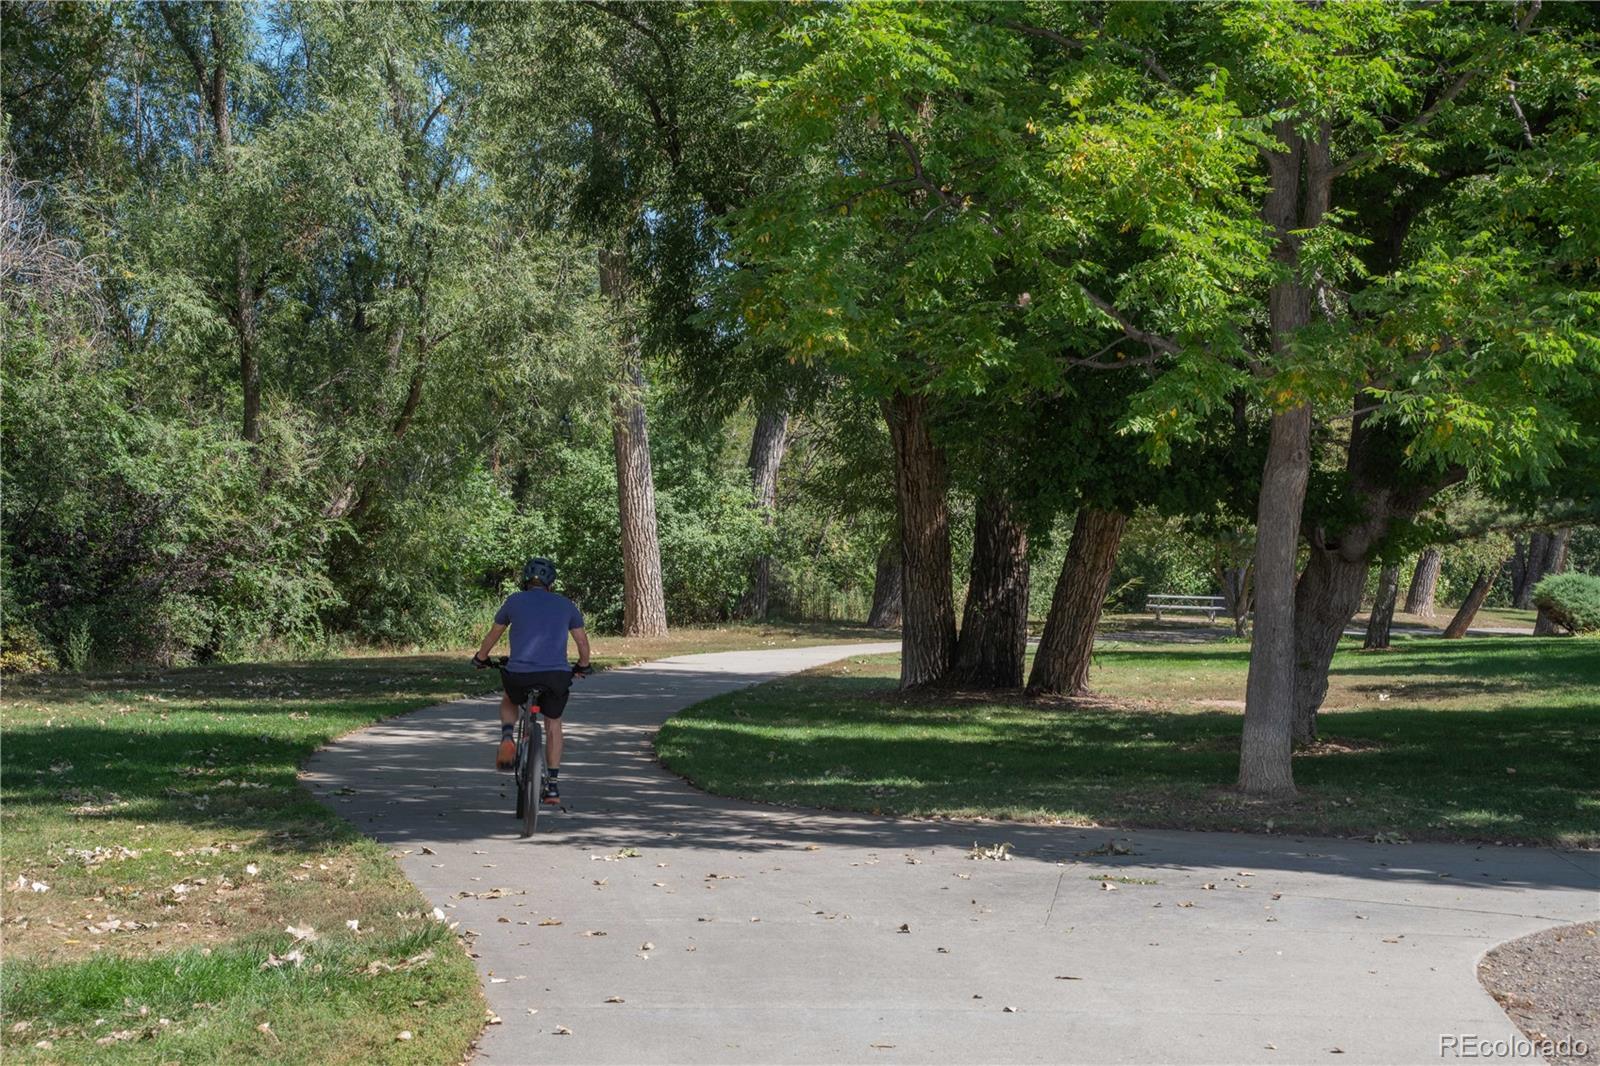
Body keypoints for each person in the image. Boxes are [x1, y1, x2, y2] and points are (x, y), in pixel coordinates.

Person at [472, 557, 593, 802]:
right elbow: (582, 642)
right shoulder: (566, 605)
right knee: (554, 723)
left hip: (519, 674)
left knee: (510, 698)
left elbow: (494, 634)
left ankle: (507, 736)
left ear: (526, 580)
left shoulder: (514, 601)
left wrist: (481, 657)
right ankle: (553, 785)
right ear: (551, 582)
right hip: (556, 676)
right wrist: (583, 665)